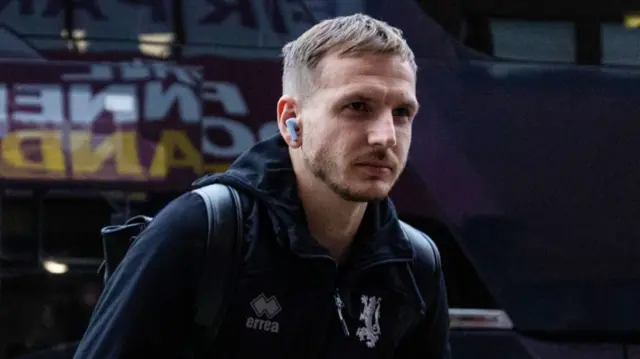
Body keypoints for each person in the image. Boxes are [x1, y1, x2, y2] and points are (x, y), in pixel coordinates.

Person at [73, 13, 451, 359]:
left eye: (402, 113)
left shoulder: (416, 263)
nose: (385, 136)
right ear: (292, 119)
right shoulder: (203, 230)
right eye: (357, 106)